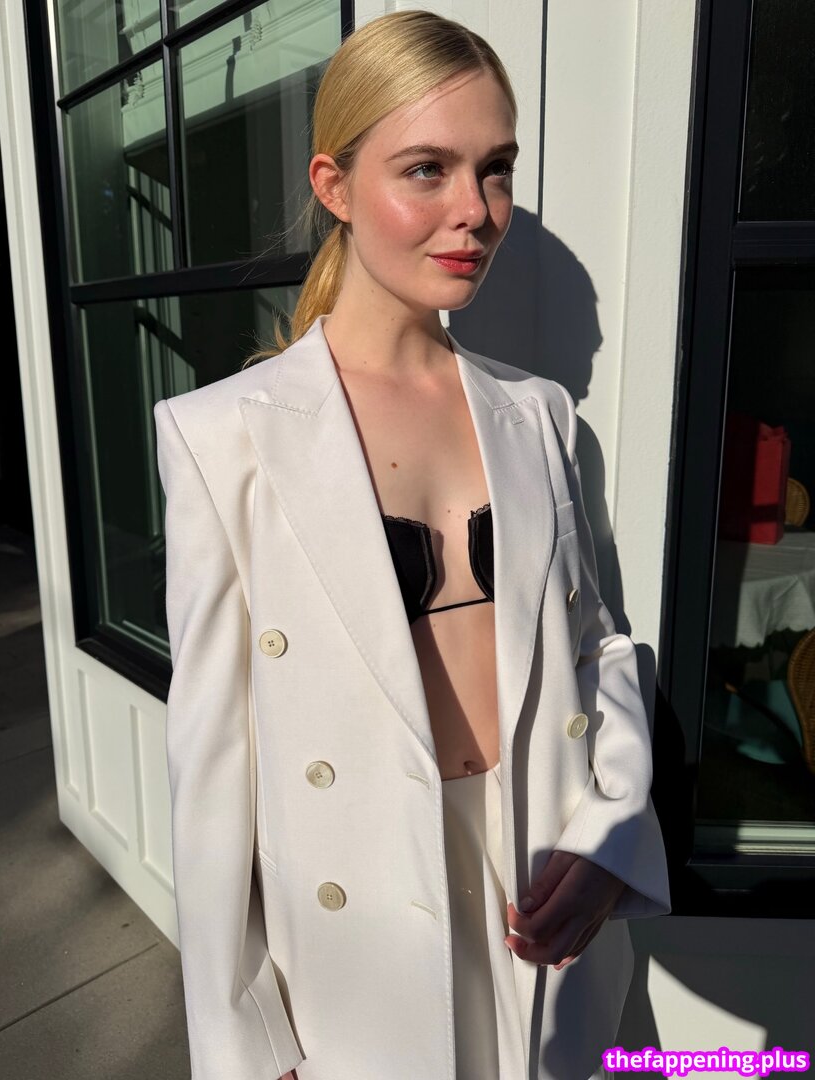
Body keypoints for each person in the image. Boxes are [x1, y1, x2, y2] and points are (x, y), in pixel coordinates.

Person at [153, 10, 671, 1080]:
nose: (474, 211)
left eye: (496, 169)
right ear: (334, 185)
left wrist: (613, 835)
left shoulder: (537, 415)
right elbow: (210, 767)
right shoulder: (224, 437)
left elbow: (599, 648)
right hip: (357, 931)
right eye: (427, 169)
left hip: (539, 886)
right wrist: (244, 1042)